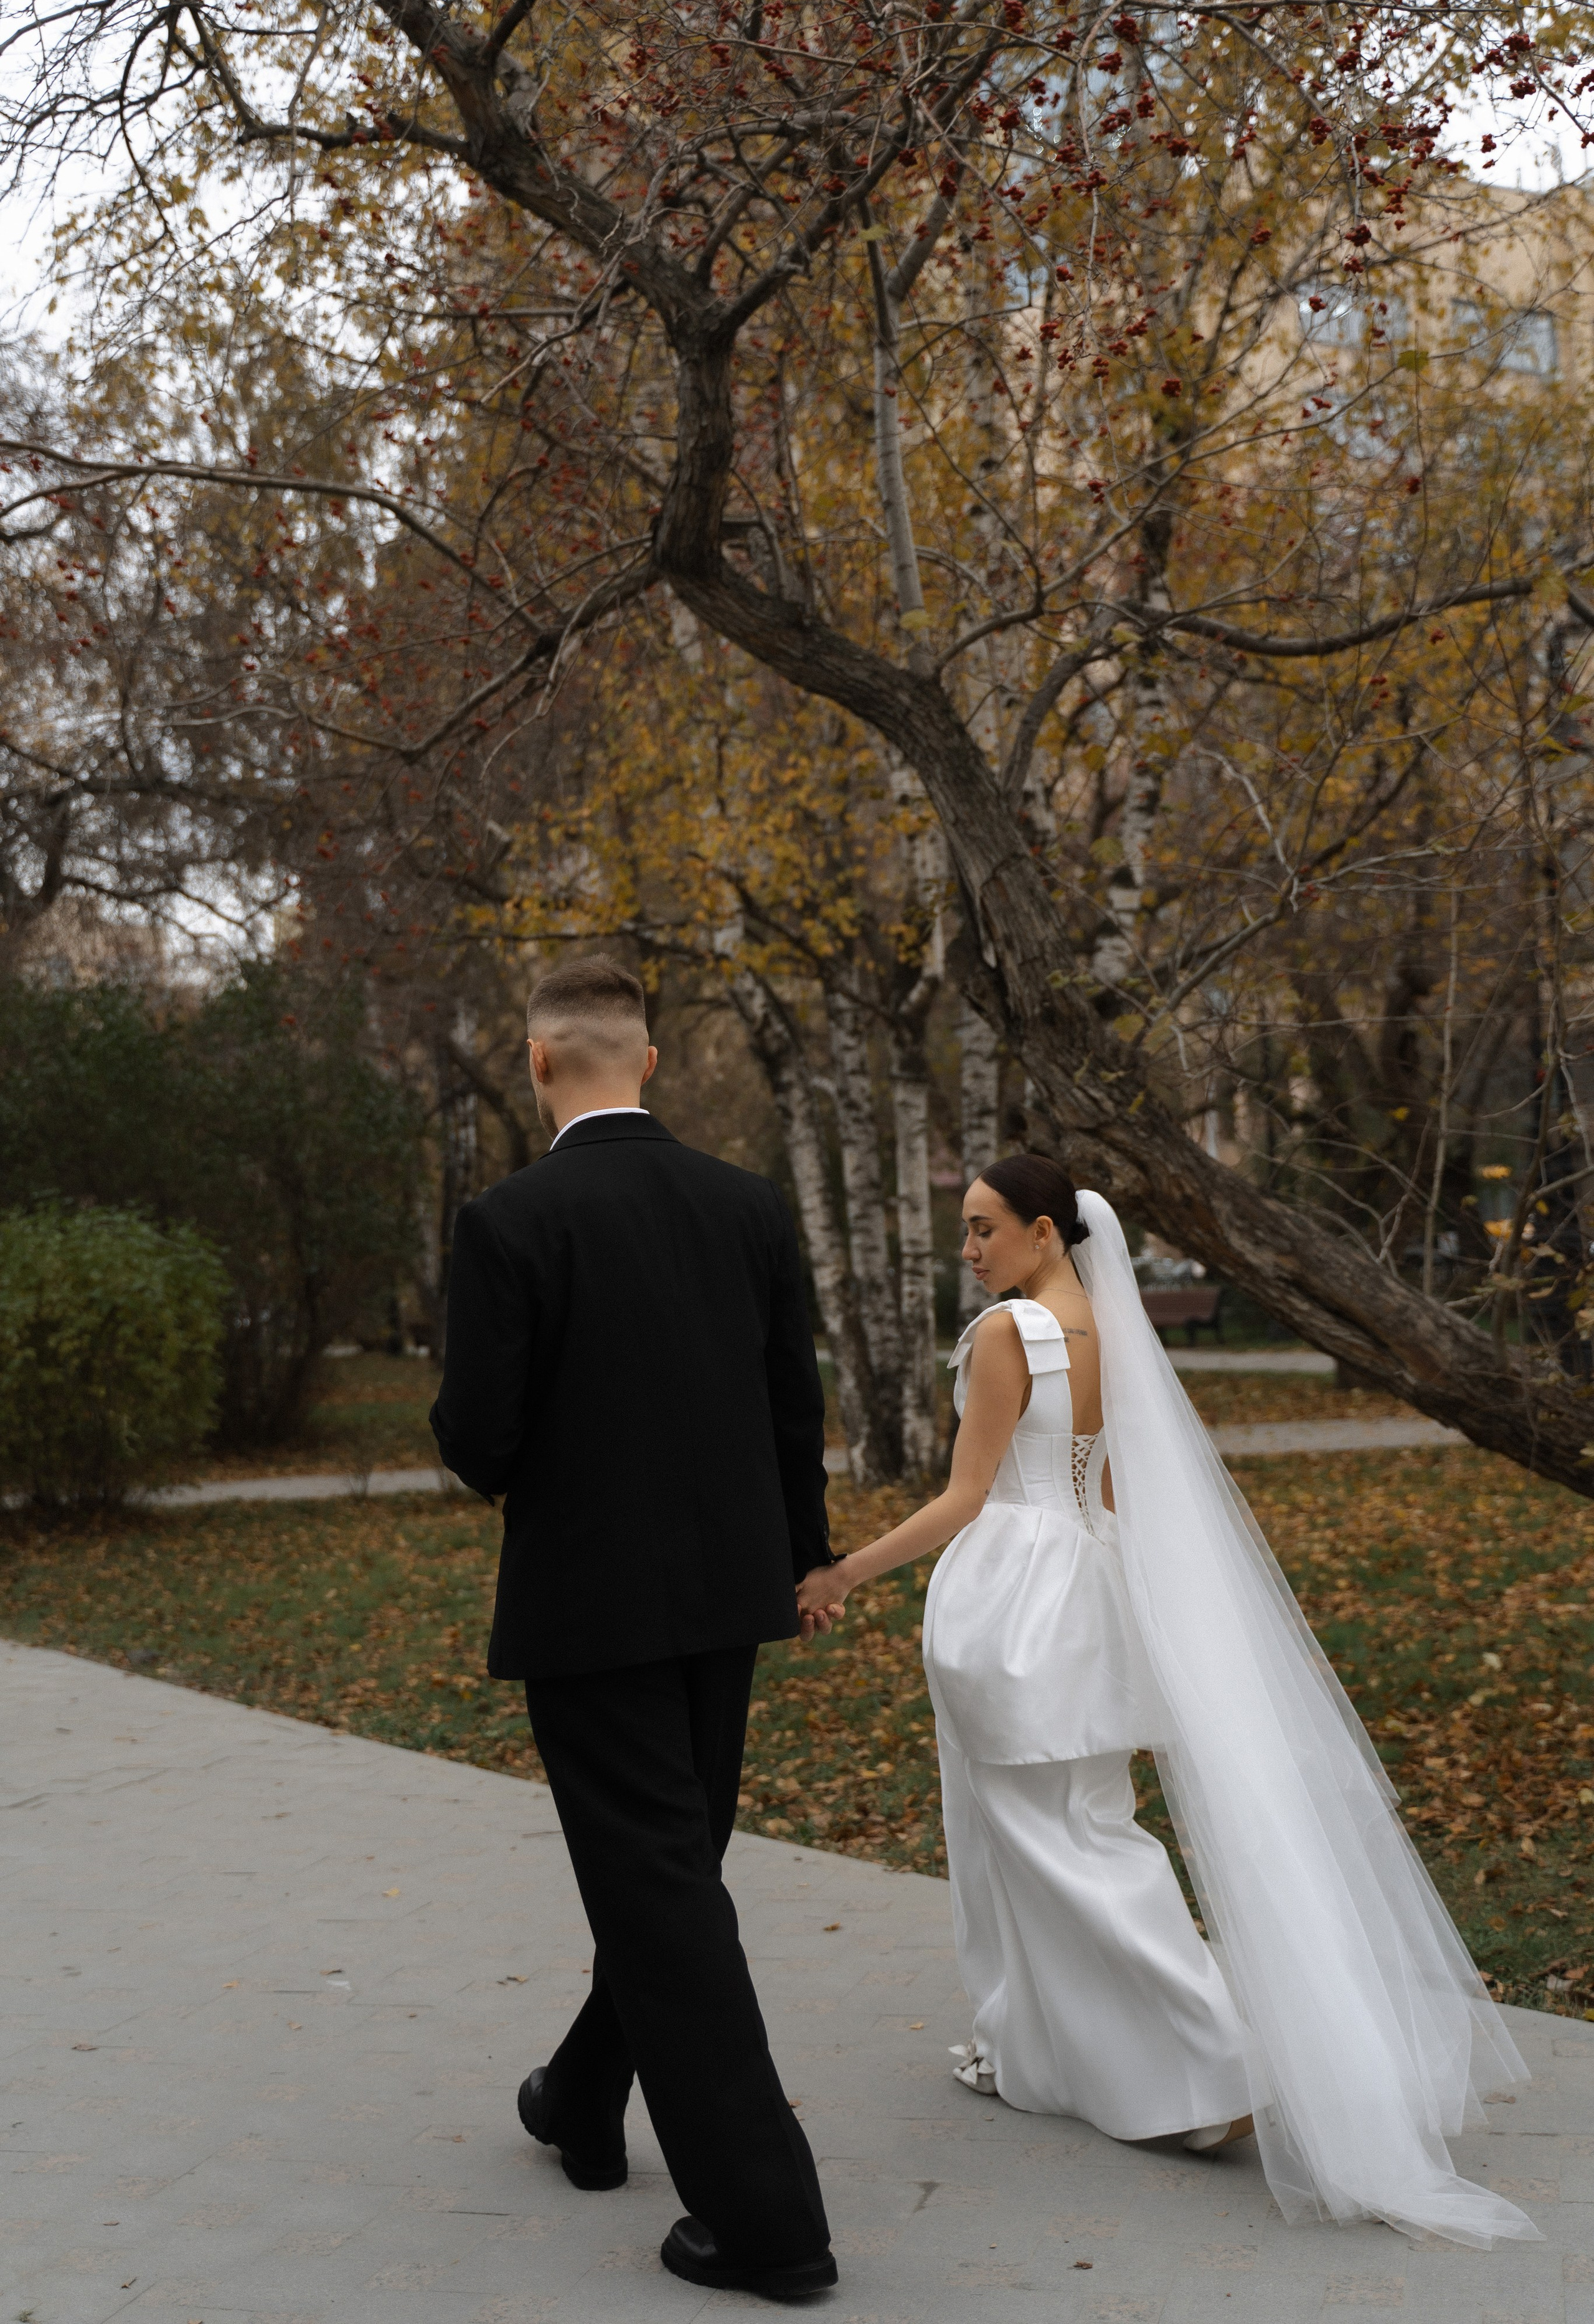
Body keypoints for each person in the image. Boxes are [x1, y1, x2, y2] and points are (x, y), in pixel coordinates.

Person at [796, 1154, 1539, 2250]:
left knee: (1052, 1843)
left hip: (1012, 1597)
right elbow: (1108, 1484)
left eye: (985, 1227)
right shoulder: (1108, 1329)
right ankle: (1047, 2049)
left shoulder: (1009, 1334)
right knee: (1084, 1826)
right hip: (1087, 1586)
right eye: (967, 1228)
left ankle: (1218, 2060)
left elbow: (966, 1495)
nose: (970, 1248)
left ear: (1045, 1230)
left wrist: (844, 1573)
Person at [430, 957, 841, 2302]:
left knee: (661, 1888)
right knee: (670, 1874)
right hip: (728, 1600)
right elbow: (792, 1404)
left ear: (537, 1060)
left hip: (589, 1610)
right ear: (648, 1060)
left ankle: (768, 2222)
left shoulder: (509, 1220)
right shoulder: (747, 1205)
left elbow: (479, 1441)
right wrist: (803, 1555)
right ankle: (581, 2096)